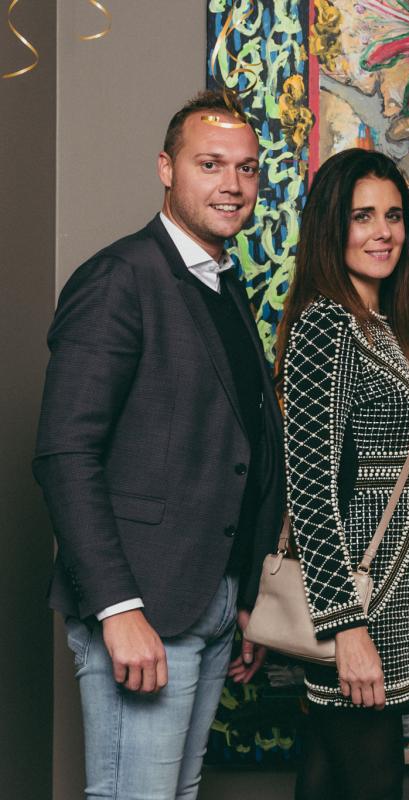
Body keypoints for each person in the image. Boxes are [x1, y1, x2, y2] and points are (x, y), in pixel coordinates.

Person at [33, 90, 284, 799]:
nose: (232, 184)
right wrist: (117, 608)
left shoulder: (221, 283)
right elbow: (65, 453)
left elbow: (237, 445)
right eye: (210, 164)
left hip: (211, 599)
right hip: (143, 599)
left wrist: (244, 596)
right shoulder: (121, 278)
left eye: (246, 168)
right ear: (166, 169)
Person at [277, 147, 409, 800]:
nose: (383, 231)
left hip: (393, 602)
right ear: (332, 228)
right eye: (363, 216)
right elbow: (309, 487)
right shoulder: (325, 326)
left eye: (393, 215)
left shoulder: (383, 327)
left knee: (328, 780)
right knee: (374, 782)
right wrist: (346, 628)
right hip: (357, 604)